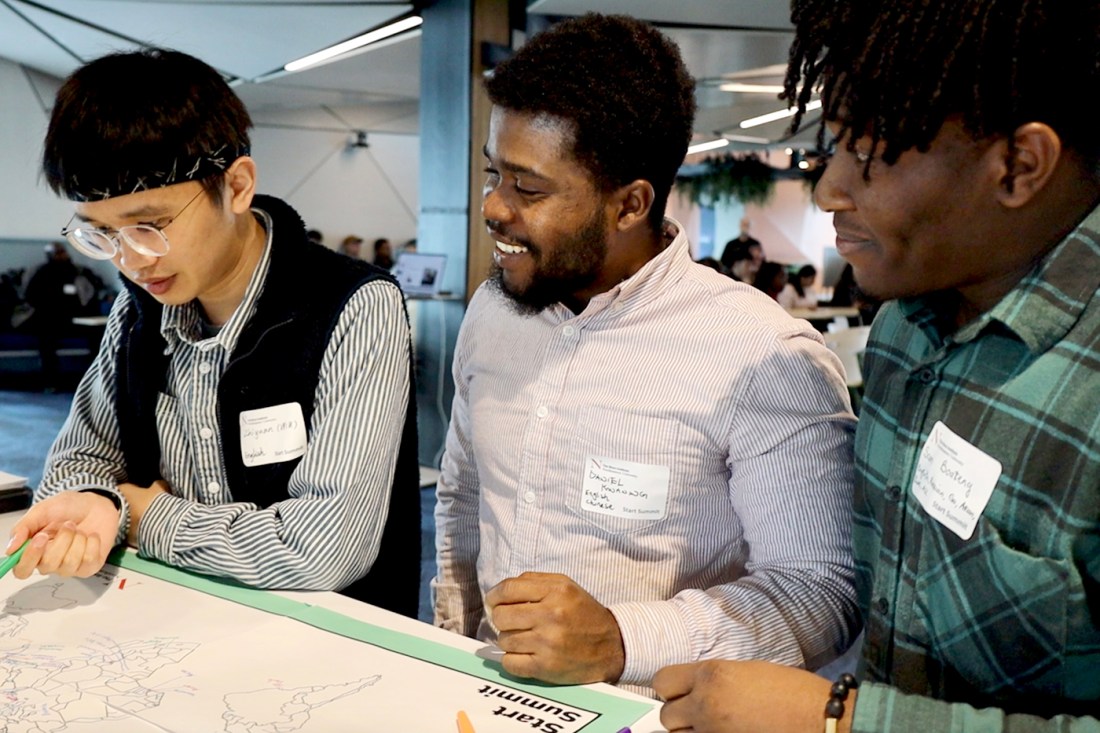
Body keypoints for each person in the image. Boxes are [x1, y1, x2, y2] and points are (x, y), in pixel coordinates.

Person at [654, 0, 1100, 730]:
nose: (830, 187)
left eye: (870, 150)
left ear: (1020, 167)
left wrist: (842, 720)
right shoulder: (902, 332)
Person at [432, 13, 860, 696]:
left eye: (528, 188)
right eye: (493, 173)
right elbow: (466, 490)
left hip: (651, 707)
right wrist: (449, 642)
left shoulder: (762, 355)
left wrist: (620, 639)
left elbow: (820, 590)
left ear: (630, 203)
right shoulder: (494, 313)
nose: (492, 207)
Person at [4, 48, 422, 618]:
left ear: (238, 186)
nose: (130, 260)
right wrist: (101, 499)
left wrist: (143, 516)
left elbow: (322, 548)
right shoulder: (139, 312)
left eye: (150, 226)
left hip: (331, 639)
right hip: (184, 623)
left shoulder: (352, 307)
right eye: (102, 234)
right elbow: (75, 466)